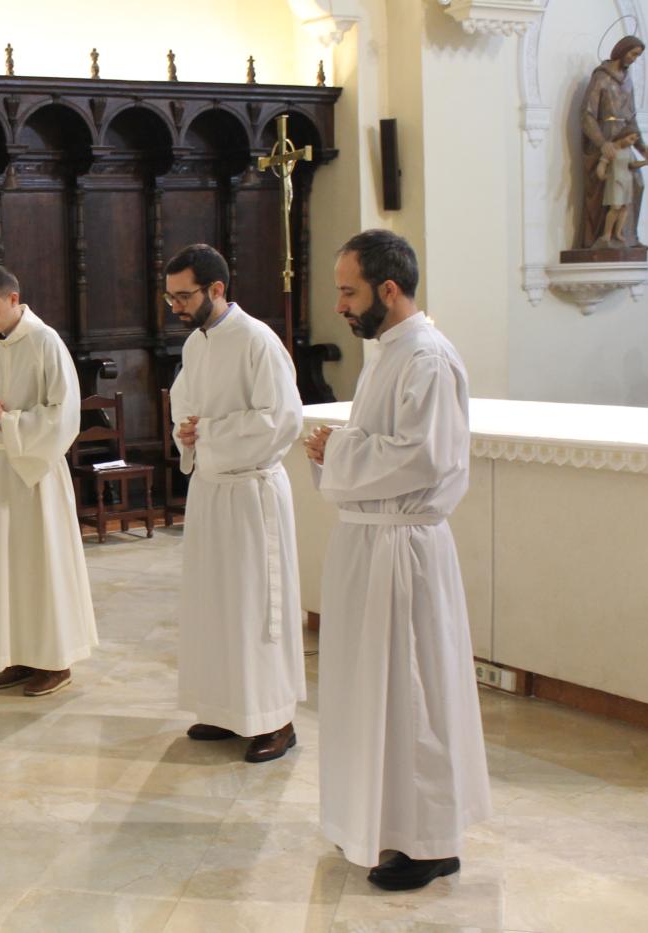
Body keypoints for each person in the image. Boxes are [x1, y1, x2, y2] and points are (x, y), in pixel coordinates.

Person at [305, 229, 490, 891]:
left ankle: (431, 839)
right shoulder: (388, 351)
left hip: (404, 548)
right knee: (375, 692)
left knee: (414, 692)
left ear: (388, 288)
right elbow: (387, 441)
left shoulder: (427, 357)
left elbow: (425, 456)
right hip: (370, 542)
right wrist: (344, 446)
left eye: (349, 291)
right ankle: (386, 823)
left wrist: (339, 452)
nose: (341, 306)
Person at [165, 243, 304, 763]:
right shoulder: (196, 345)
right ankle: (227, 709)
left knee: (256, 606)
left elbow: (283, 419)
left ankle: (276, 719)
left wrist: (212, 433)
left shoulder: (257, 341)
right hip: (211, 490)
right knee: (216, 604)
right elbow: (186, 404)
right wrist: (187, 431)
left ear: (217, 289)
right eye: (170, 298)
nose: (176, 307)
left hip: (250, 493)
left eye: (184, 296)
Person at [0, 264, 96, 697]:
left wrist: (9, 421)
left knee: (41, 565)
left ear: (14, 299)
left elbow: (64, 413)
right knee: (4, 567)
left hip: (34, 474)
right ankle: (16, 654)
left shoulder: (45, 342)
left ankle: (55, 661)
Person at [580, 35, 648, 249]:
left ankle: (626, 236)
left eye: (638, 56)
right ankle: (603, 237)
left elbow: (632, 118)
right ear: (621, 50)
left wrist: (643, 149)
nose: (634, 59)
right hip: (606, 138)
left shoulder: (628, 80)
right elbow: (587, 115)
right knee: (608, 185)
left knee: (637, 183)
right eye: (633, 53)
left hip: (626, 136)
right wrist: (601, 142)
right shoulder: (601, 77)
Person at [595, 126, 648, 248]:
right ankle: (607, 233)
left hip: (627, 180)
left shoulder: (628, 151)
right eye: (631, 139)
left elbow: (632, 164)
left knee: (624, 207)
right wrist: (601, 174)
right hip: (615, 180)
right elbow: (603, 163)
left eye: (634, 140)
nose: (632, 142)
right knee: (615, 206)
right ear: (623, 136)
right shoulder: (612, 148)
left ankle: (617, 233)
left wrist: (645, 162)